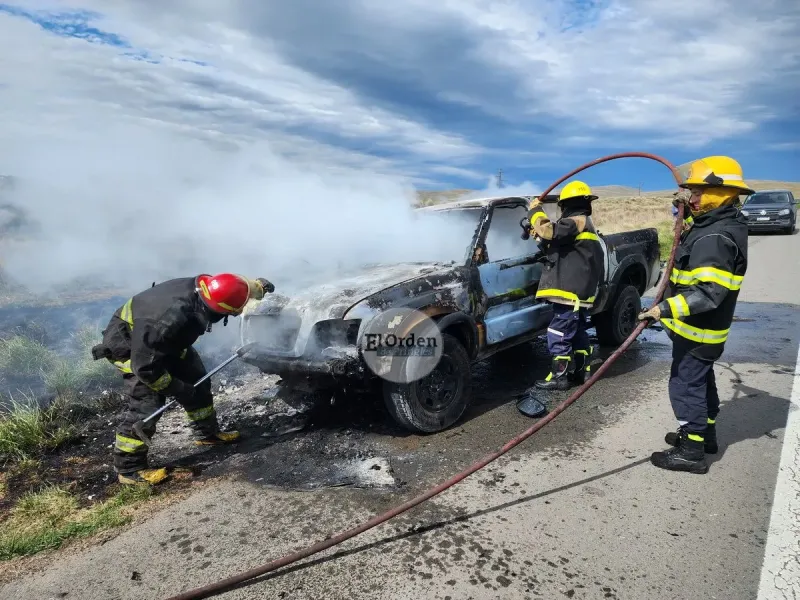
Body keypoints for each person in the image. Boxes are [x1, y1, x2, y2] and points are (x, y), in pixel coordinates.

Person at [91, 273, 275, 485]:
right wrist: (178, 388)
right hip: (131, 348)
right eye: (234, 312)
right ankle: (130, 469)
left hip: (167, 344)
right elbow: (145, 368)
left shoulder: (209, 287)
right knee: (147, 405)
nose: (238, 313)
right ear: (218, 308)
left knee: (198, 378)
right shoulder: (166, 322)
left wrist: (259, 287)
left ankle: (206, 434)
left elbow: (235, 288)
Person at [637, 155, 751, 474]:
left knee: (685, 386)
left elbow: (707, 293)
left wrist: (663, 309)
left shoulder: (716, 237)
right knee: (701, 383)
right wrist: (687, 218)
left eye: (699, 192)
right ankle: (704, 435)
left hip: (698, 330)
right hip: (701, 332)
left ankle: (691, 451)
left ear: (721, 191)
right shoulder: (717, 225)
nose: (693, 197)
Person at [524, 180, 605, 392]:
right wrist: (541, 239)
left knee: (558, 332)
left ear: (567, 204)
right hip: (578, 292)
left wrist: (535, 211)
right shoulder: (583, 224)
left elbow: (549, 231)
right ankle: (580, 372)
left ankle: (559, 378)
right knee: (576, 330)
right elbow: (559, 248)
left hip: (569, 292)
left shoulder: (575, 221)